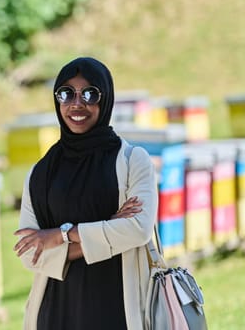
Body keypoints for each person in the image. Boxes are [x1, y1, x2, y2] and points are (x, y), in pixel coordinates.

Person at [13, 57, 158, 329]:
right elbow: (29, 253)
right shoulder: (40, 173)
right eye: (66, 93)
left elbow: (138, 229)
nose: (77, 104)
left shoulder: (131, 160)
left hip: (116, 308)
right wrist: (110, 227)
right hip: (55, 311)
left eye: (90, 94)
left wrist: (59, 235)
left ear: (106, 100)